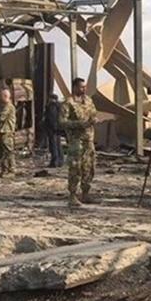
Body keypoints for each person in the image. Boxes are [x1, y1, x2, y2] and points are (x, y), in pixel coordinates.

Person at [59, 78, 97, 207]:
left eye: (85, 87)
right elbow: (62, 122)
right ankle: (72, 195)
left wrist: (93, 120)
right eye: (81, 87)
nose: (84, 89)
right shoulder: (68, 103)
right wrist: (79, 124)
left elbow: (93, 114)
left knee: (89, 167)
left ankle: (85, 193)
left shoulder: (88, 101)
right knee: (75, 168)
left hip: (88, 139)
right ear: (74, 87)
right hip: (76, 140)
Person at [0, 88, 16, 177]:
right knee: (1, 152)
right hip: (1, 131)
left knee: (8, 151)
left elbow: (1, 117)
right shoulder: (2, 106)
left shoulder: (9, 107)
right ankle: (4, 170)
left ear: (6, 96)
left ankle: (11, 170)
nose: (0, 97)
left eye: (1, 95)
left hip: (7, 132)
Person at [45, 94, 64, 168]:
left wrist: (50, 127)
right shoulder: (60, 106)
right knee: (58, 145)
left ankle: (54, 162)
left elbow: (51, 118)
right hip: (58, 128)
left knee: (53, 146)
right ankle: (60, 161)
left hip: (53, 129)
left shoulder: (52, 106)